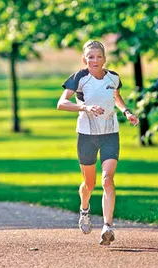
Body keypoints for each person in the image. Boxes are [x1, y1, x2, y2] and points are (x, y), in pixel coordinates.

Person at [56, 40, 139, 245]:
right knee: (90, 184)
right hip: (86, 135)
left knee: (107, 179)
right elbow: (61, 103)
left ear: (104, 58)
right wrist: (85, 108)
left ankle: (107, 227)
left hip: (110, 133)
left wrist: (126, 111)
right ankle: (85, 209)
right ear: (84, 59)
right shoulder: (79, 78)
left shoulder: (113, 77)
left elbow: (116, 96)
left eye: (98, 56)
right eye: (90, 57)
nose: (94, 60)